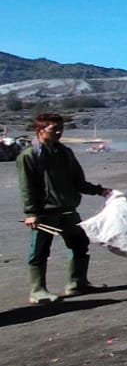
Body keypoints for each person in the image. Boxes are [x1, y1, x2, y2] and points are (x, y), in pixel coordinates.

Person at [17, 112, 111, 302]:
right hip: (45, 213)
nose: (59, 132)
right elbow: (27, 187)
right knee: (40, 251)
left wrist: (100, 191)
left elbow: (78, 181)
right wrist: (31, 213)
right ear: (40, 130)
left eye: (61, 128)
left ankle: (77, 283)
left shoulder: (65, 153)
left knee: (80, 244)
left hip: (68, 210)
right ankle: (37, 290)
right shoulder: (29, 155)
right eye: (54, 129)